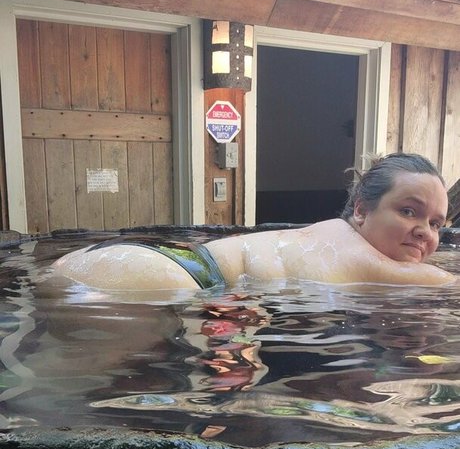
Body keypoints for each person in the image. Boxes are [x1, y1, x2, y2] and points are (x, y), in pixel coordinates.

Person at [50, 153, 456, 290]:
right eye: (408, 211)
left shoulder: (331, 238)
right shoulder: (362, 256)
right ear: (363, 210)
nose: (425, 231)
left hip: (160, 262)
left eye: (437, 224)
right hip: (164, 274)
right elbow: (447, 285)